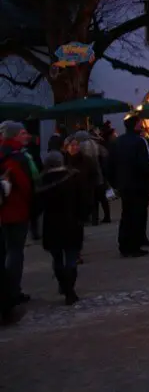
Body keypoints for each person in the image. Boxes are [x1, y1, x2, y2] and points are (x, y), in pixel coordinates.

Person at [37, 151, 86, 305]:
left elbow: (37, 205)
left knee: (57, 258)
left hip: (52, 224)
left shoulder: (42, 181)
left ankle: (65, 287)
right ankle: (70, 290)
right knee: (71, 258)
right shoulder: (73, 178)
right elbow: (83, 200)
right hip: (71, 222)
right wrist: (82, 216)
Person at [110, 115, 149, 258]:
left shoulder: (118, 141)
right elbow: (145, 165)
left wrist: (116, 182)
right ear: (136, 125)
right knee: (137, 215)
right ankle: (133, 246)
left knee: (126, 214)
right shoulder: (139, 142)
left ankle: (124, 244)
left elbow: (111, 163)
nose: (142, 125)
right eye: (141, 123)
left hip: (124, 184)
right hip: (138, 184)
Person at [0, 122, 33, 307]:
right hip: (15, 210)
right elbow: (25, 185)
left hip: (5, 211)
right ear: (14, 136)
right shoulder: (16, 157)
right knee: (15, 252)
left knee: (7, 251)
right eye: (22, 133)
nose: (26, 135)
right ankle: (12, 291)